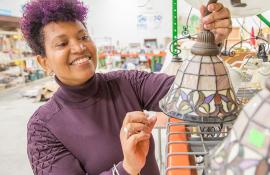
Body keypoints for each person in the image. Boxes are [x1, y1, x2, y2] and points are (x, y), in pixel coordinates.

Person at [20, 0, 233, 174]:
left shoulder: (127, 83)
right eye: (62, 43)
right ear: (44, 62)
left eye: (83, 36)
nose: (79, 47)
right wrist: (126, 168)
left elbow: (191, 93)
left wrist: (208, 47)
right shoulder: (43, 128)